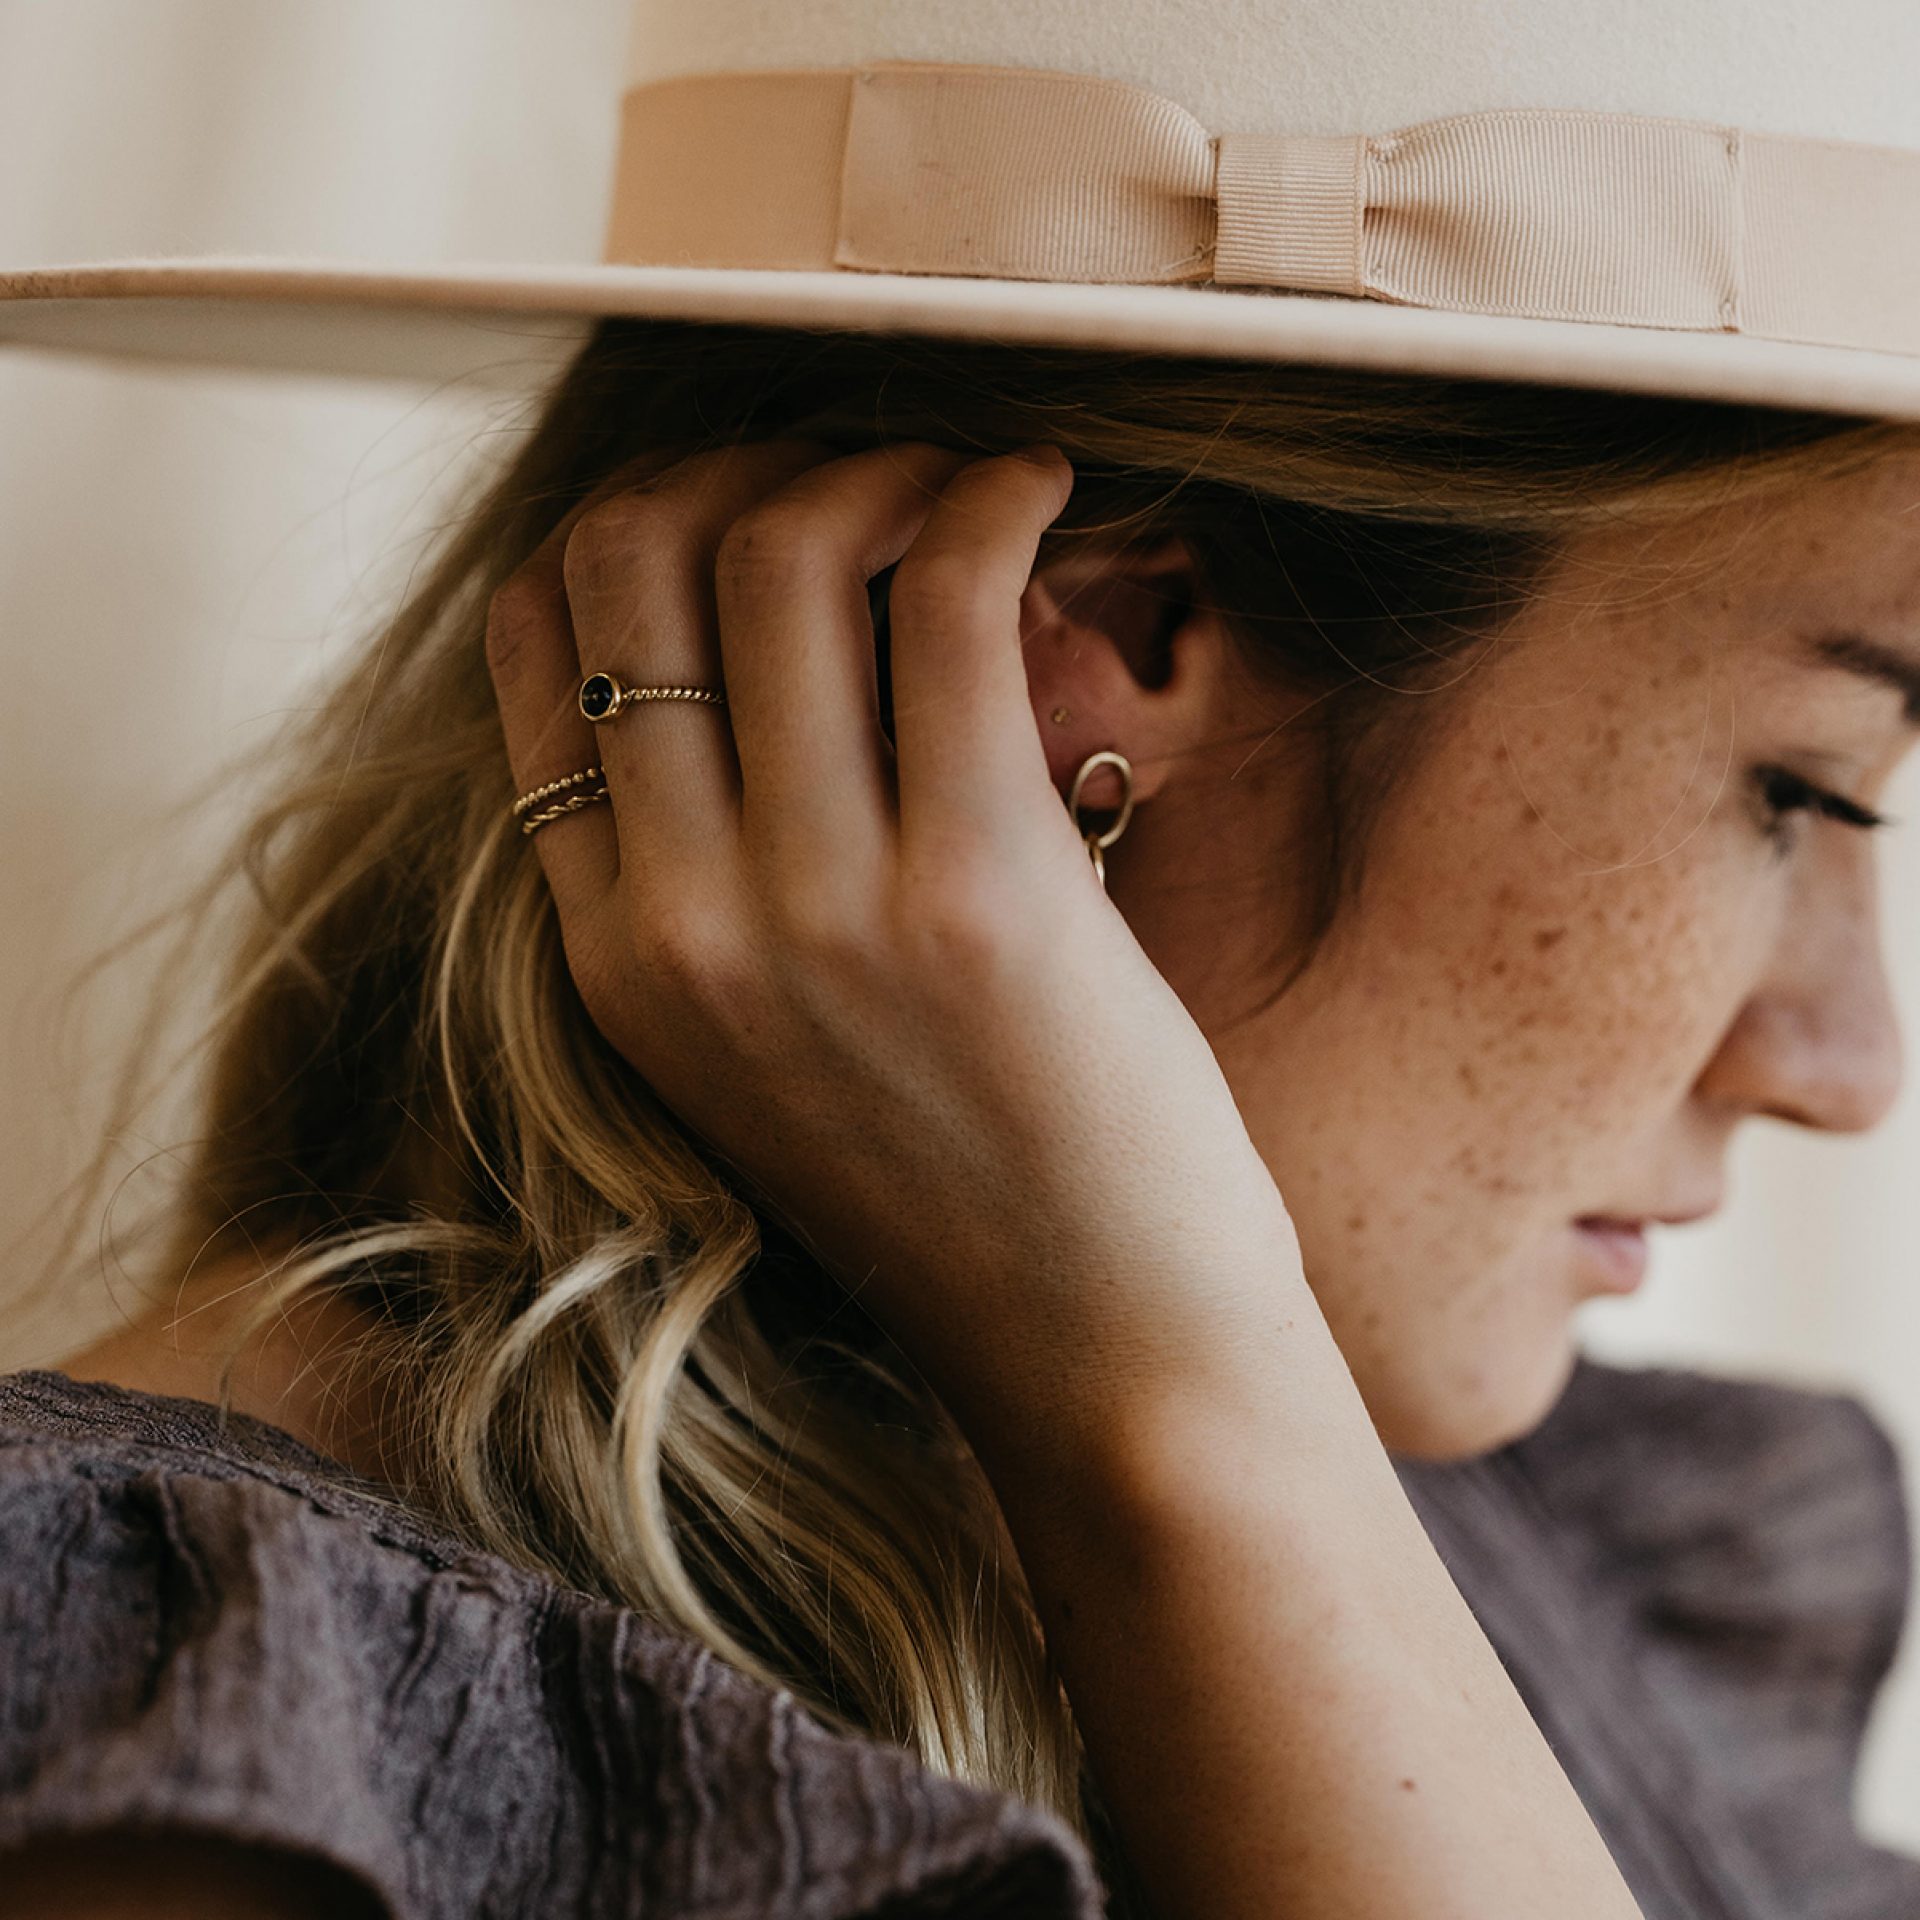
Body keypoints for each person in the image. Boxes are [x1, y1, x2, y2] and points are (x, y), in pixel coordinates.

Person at [6, 7, 1920, 1918]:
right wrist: (1186, 1417)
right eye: (1804, 794)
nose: (1849, 1065)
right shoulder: (183, 1749)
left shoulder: (1569, 1604)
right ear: (1073, 658)